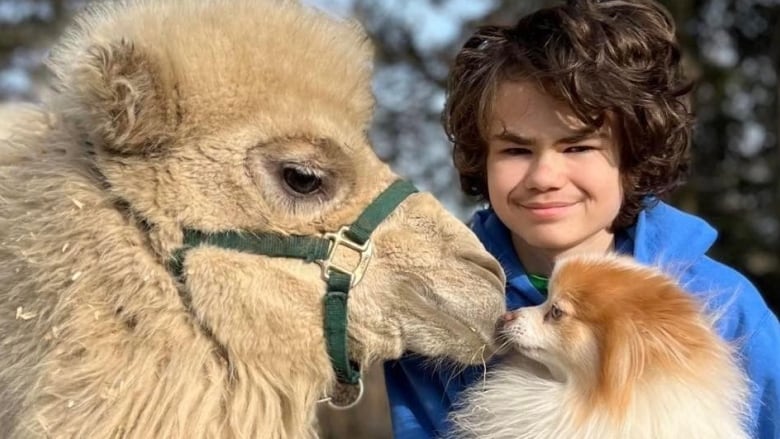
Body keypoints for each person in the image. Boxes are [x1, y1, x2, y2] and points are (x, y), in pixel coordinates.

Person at [383, 0, 780, 437]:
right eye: (516, 150)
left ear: (632, 157)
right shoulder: (438, 306)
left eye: (578, 147)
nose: (545, 178)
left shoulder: (722, 304)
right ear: (482, 158)